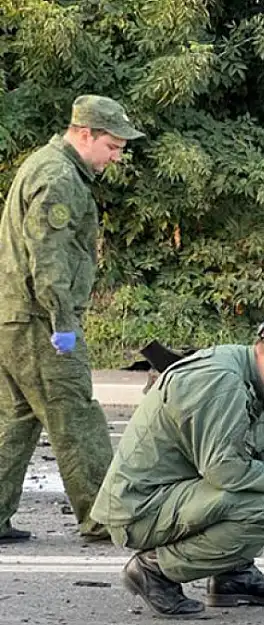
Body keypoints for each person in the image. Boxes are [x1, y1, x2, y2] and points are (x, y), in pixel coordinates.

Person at [90, 316, 264, 619]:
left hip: (178, 494)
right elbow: (226, 471)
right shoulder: (221, 381)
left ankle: (232, 576)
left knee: (262, 491)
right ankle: (154, 570)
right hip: (140, 508)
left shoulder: (261, 385)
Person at [0, 95, 144, 544]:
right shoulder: (59, 177)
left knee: (15, 420)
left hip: (15, 317)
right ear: (85, 134)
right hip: (41, 321)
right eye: (113, 145)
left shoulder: (47, 166)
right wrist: (63, 322)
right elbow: (50, 257)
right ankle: (105, 517)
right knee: (76, 417)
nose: (117, 156)